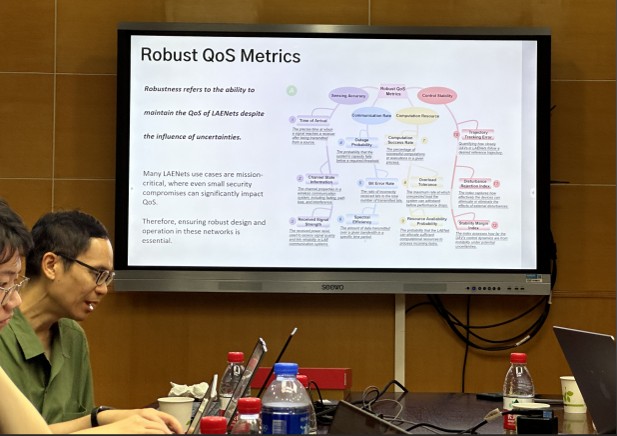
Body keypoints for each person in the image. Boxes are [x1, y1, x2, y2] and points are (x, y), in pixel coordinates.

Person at [0, 202, 182, 434]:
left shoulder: (72, 336)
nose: (104, 289)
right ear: (51, 265)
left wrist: (102, 418)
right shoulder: (4, 328)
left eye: (107, 278)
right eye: (97, 274)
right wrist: (109, 428)